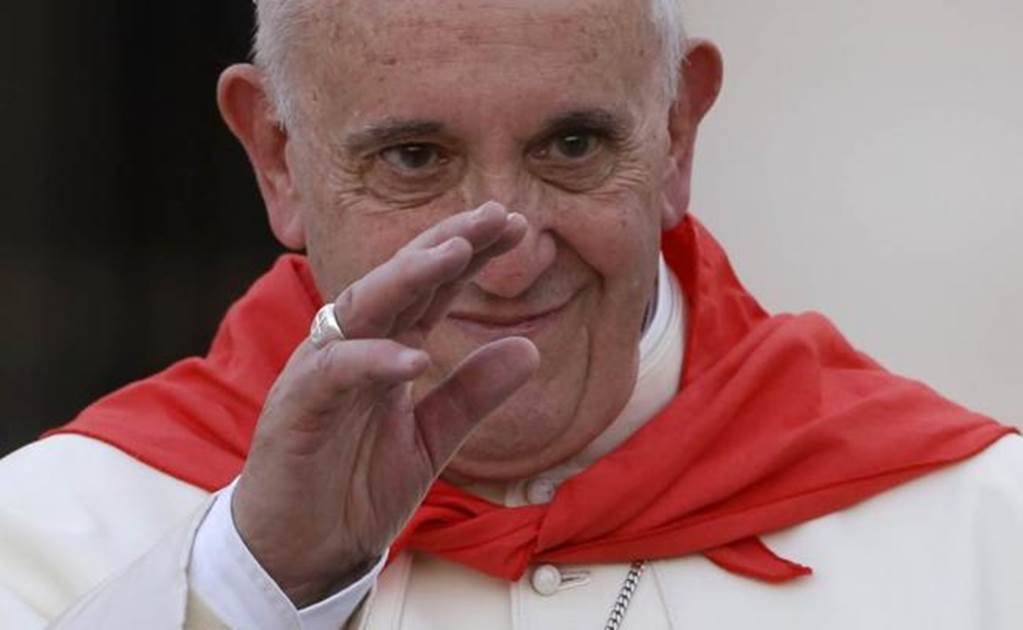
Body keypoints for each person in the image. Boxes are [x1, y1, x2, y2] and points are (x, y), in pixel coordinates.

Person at [2, 0, 1021, 628]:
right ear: (278, 158)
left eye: (570, 147)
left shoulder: (985, 534)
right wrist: (252, 584)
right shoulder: (51, 535)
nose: (505, 254)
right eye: (415, 159)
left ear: (675, 136)